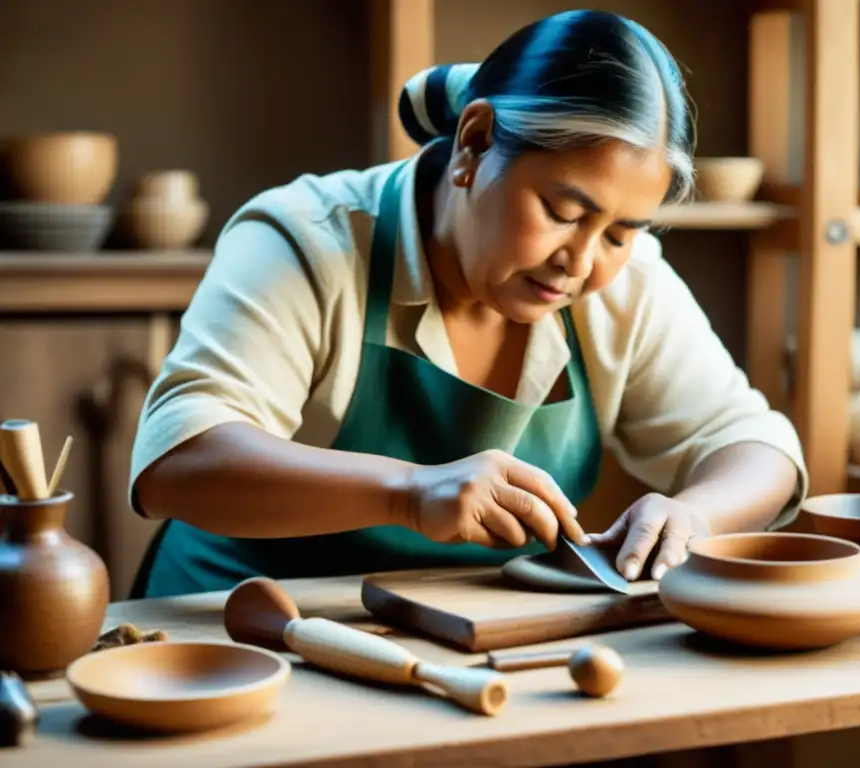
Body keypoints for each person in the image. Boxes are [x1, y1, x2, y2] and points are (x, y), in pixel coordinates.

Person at [127, 9, 808, 600]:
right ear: (475, 143)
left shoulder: (623, 285)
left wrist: (697, 516)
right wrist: (410, 492)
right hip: (235, 633)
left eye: (623, 232)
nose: (582, 261)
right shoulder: (306, 238)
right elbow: (177, 463)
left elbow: (756, 444)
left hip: (451, 636)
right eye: (563, 211)